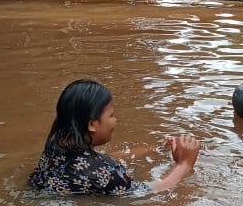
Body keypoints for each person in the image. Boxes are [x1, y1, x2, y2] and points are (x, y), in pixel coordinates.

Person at [28, 78, 200, 195]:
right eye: (111, 115)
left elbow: (103, 159)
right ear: (92, 124)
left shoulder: (56, 147)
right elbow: (150, 192)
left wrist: (156, 149)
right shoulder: (103, 173)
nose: (115, 120)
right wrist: (183, 164)